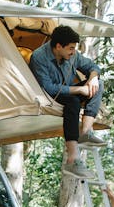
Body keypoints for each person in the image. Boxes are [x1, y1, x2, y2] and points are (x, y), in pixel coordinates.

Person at [29, 25, 106, 179]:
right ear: (58, 46)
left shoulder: (73, 55)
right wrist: (79, 90)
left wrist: (93, 78)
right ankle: (72, 159)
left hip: (68, 91)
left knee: (99, 84)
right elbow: (49, 88)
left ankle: (84, 132)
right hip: (48, 97)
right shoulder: (39, 57)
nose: (73, 52)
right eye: (70, 48)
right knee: (73, 102)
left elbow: (93, 66)